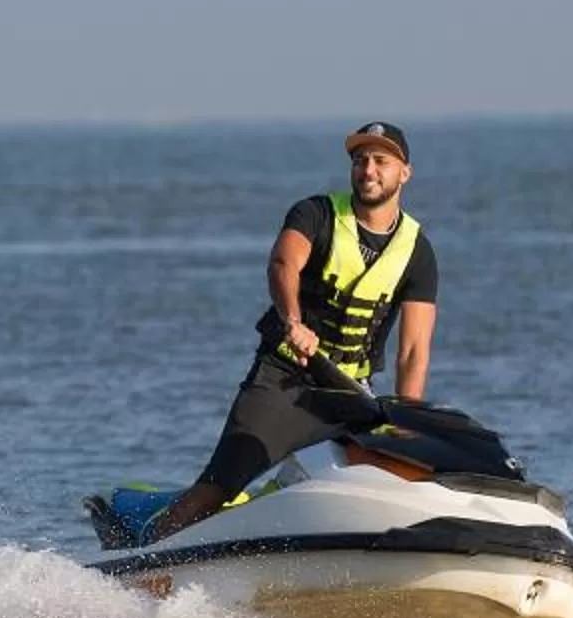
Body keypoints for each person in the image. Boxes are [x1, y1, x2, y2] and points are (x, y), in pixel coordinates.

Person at [141, 121, 438, 542]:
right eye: (359, 161)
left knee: (393, 484)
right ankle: (147, 557)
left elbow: (413, 352)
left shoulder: (417, 251)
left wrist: (405, 426)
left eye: (380, 161)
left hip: (351, 397)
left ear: (404, 172)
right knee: (220, 486)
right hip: (285, 379)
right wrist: (293, 322)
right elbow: (284, 264)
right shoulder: (315, 213)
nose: (368, 170)